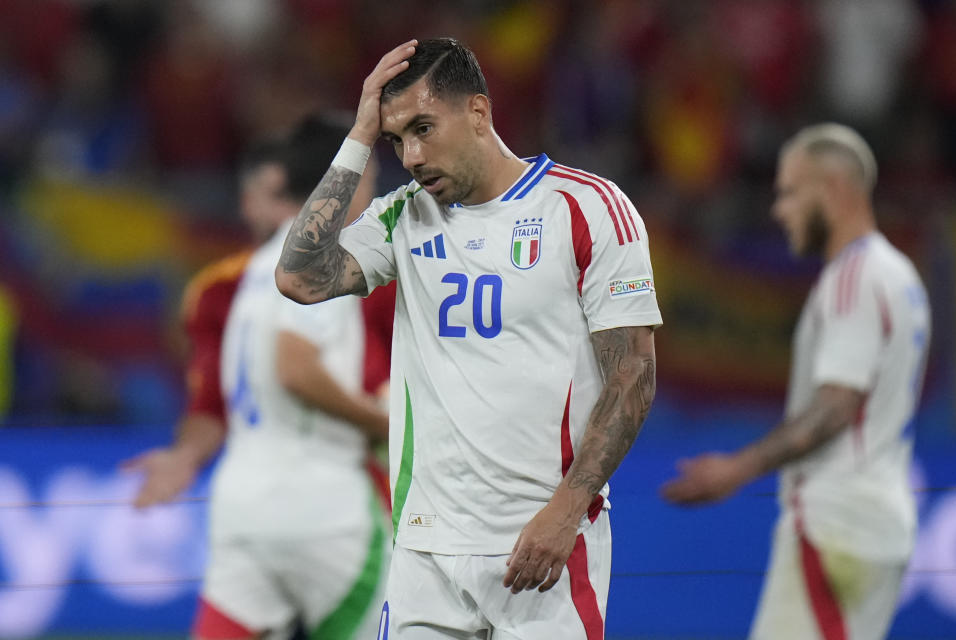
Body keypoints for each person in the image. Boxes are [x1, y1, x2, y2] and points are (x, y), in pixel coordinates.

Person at [275, 38, 661, 639]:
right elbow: (298, 277)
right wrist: (357, 136)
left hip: (542, 547)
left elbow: (633, 374)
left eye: (424, 127)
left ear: (479, 113)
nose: (412, 155)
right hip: (424, 550)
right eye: (397, 138)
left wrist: (565, 514)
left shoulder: (585, 209)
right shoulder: (403, 215)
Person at [124, 116, 391, 640]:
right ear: (345, 181)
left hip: (241, 504)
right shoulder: (317, 261)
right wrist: (383, 425)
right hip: (324, 506)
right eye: (372, 182)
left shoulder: (245, 274)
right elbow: (292, 365)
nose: (375, 197)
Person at [662, 123, 931, 640]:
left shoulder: (854, 278)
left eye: (789, 192)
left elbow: (837, 405)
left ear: (831, 189)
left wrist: (739, 468)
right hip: (873, 521)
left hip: (837, 524)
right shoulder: (899, 274)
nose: (778, 210)